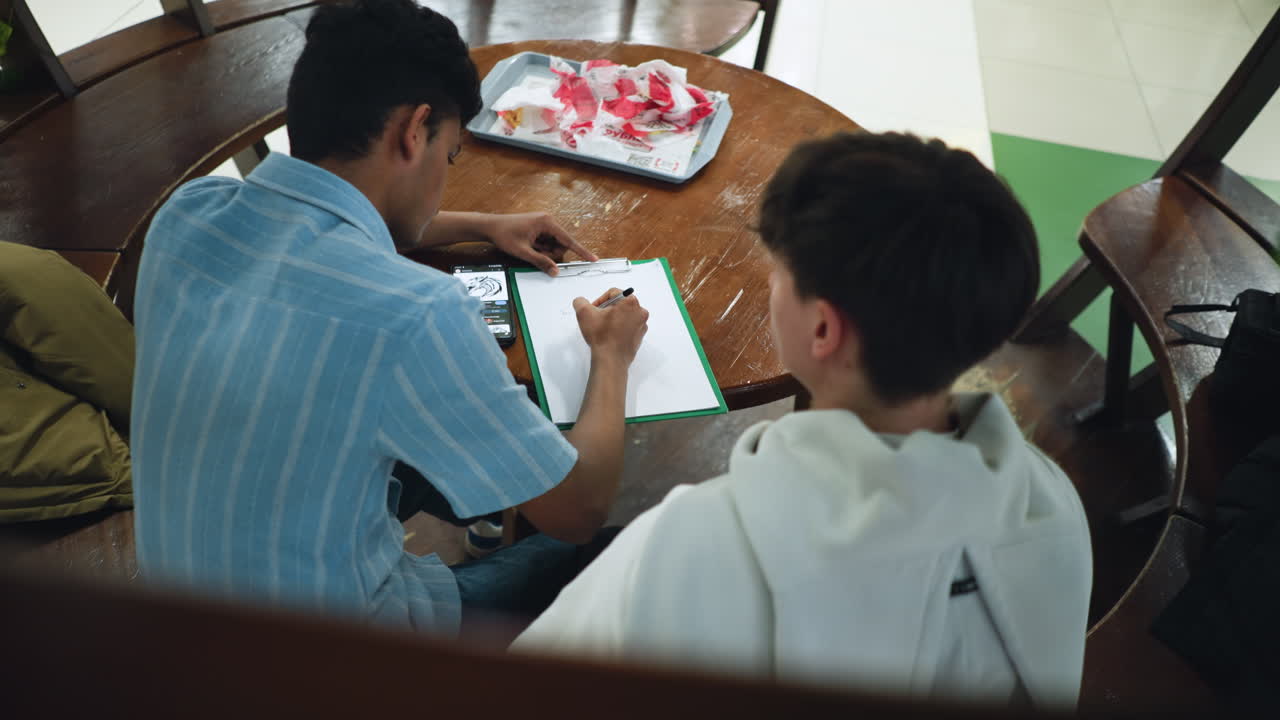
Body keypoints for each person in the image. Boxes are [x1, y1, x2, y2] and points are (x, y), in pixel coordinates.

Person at [513, 132, 1093, 708]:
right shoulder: (1054, 507)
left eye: (779, 273)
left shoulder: (690, 544)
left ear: (823, 330)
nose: (770, 284)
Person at [130, 0, 647, 634]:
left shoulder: (187, 214)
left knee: (453, 432)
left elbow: (324, 221)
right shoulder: (418, 315)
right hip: (333, 663)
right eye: (450, 157)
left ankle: (488, 504)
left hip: (173, 617)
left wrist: (485, 225)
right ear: (413, 131)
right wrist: (611, 356)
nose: (444, 179)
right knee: (619, 543)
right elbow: (578, 507)